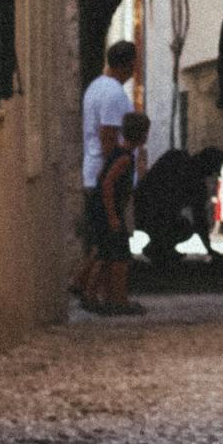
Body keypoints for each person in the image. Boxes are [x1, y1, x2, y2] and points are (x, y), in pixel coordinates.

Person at [73, 40, 137, 308]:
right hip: (106, 175)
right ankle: (104, 295)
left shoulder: (95, 87)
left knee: (102, 240)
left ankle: (87, 287)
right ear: (129, 64)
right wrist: (118, 174)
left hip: (94, 172)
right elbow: (108, 137)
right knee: (111, 242)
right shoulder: (113, 94)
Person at [92, 110, 151, 315]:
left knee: (109, 255)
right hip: (111, 211)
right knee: (120, 259)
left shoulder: (118, 153)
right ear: (142, 134)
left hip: (109, 210)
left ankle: (108, 299)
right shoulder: (125, 159)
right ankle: (118, 300)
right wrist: (112, 216)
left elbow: (101, 176)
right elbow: (107, 183)